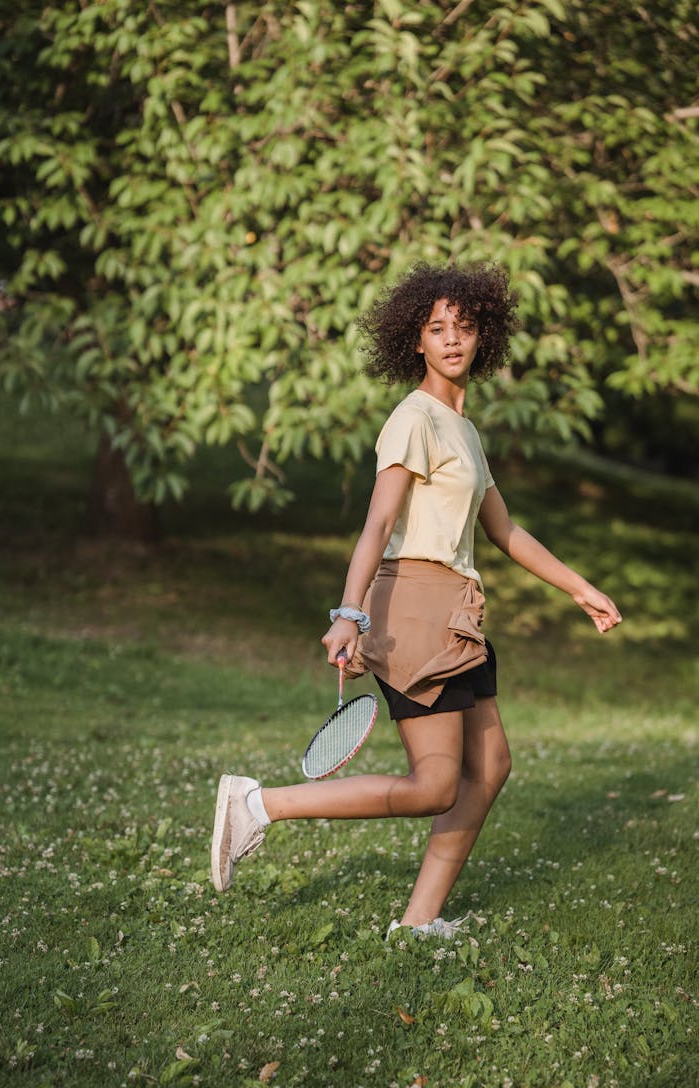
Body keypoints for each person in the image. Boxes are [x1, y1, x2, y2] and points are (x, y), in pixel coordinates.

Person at [211, 261, 622, 939]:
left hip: (458, 610)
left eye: (463, 326)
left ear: (484, 334)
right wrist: (349, 612)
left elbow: (504, 531)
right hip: (414, 608)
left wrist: (581, 587)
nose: (452, 338)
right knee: (435, 782)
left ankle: (418, 921)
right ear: (417, 342)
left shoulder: (465, 431)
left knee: (490, 766)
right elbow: (377, 522)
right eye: (438, 328)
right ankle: (258, 802)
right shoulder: (414, 417)